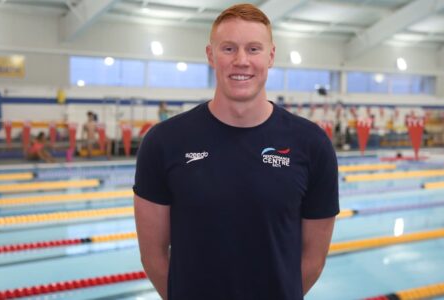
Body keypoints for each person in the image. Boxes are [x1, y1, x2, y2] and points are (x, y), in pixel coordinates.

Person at [133, 4, 339, 300]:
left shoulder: (312, 145)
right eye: (228, 48)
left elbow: (313, 260)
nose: (241, 61)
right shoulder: (164, 142)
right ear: (210, 55)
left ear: (270, 56)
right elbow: (152, 256)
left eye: (254, 49)